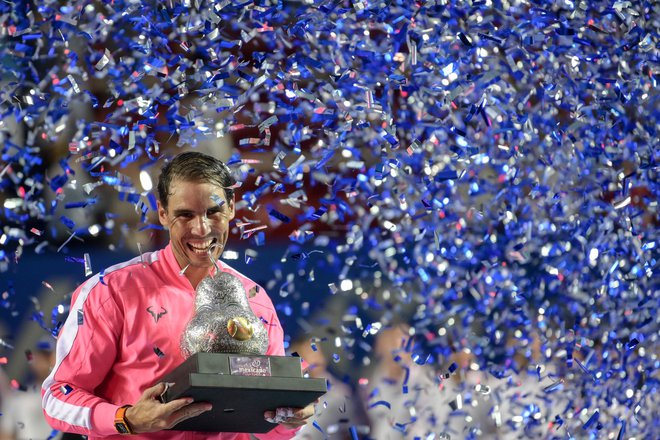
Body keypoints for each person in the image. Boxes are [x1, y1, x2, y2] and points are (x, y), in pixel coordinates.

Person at [41, 151, 314, 440]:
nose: (201, 229)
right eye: (185, 214)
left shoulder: (255, 299)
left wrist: (291, 419)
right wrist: (126, 418)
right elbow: (57, 397)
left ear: (232, 208)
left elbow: (272, 429)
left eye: (213, 212)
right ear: (162, 213)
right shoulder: (111, 291)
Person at [0, 339, 61, 440]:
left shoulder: (73, 393)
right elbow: (5, 435)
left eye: (50, 356)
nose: (47, 362)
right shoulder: (17, 398)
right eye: (44, 356)